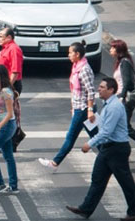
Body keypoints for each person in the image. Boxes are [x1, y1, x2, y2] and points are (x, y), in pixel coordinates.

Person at [66, 78, 135, 221]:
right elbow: (104, 126)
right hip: (109, 148)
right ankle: (86, 208)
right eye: (99, 87)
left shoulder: (114, 107)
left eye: (102, 87)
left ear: (111, 90)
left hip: (116, 149)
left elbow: (107, 131)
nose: (99, 89)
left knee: (125, 181)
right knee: (98, 179)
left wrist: (89, 144)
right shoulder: (108, 104)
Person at [38, 42, 96, 172]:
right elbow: (75, 90)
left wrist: (90, 110)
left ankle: (55, 162)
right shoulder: (76, 67)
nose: (68, 55)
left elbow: (91, 91)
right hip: (79, 108)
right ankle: (113, 155)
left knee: (71, 137)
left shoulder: (84, 69)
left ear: (77, 54)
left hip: (84, 109)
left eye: (70, 53)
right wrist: (73, 106)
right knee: (97, 136)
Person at [0, 65, 18, 195]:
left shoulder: (6, 91)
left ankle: (0, 183)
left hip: (6, 126)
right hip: (3, 125)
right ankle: (13, 185)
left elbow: (10, 114)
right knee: (8, 155)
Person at [0, 27, 23, 128]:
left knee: (8, 113)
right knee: (1, 110)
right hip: (4, 84)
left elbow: (15, 72)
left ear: (9, 37)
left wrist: (8, 88)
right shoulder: (5, 48)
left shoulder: (14, 49)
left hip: (11, 85)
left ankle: (9, 134)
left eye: (1, 36)